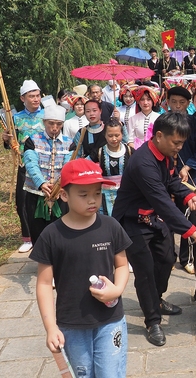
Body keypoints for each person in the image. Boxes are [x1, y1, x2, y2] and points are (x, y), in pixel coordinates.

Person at [112, 113, 196, 346]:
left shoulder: (167, 155)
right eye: (176, 143)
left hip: (153, 218)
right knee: (145, 271)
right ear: (159, 136)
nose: (179, 148)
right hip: (132, 221)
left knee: (166, 258)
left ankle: (156, 299)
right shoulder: (142, 162)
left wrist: (189, 193)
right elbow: (162, 200)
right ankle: (152, 320)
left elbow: (171, 182)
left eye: (182, 143)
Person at [31, 158, 131, 377]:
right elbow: (45, 284)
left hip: (110, 319)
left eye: (97, 193)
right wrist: (50, 327)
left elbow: (122, 265)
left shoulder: (110, 226)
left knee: (110, 373)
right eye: (83, 195)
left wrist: (117, 289)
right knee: (83, 373)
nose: (92, 200)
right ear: (64, 195)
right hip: (72, 324)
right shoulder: (51, 235)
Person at [166, 86, 196, 274]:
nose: (177, 106)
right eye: (174, 102)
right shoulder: (163, 122)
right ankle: (167, 256)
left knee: (192, 213)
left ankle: (187, 257)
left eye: (182, 102)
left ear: (188, 103)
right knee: (164, 214)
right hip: (166, 173)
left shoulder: (195, 123)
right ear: (167, 102)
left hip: (189, 173)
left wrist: (186, 167)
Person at [2, 79, 45, 253]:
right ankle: (28, 237)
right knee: (23, 200)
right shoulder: (15, 118)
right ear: (23, 98)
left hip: (45, 162)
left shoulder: (48, 114)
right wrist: (6, 140)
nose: (36, 99)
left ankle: (47, 234)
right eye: (31, 96)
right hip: (24, 163)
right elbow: (11, 142)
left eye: (37, 95)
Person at [23, 105, 72, 246]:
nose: (54, 127)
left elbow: (67, 166)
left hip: (60, 193)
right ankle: (42, 261)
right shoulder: (31, 140)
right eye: (51, 123)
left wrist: (58, 187)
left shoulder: (69, 144)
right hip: (36, 192)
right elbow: (31, 164)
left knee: (62, 230)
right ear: (44, 122)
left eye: (58, 124)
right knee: (37, 230)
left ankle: (60, 262)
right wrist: (42, 183)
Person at [91, 118, 134, 216]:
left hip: (126, 192)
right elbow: (85, 165)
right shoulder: (98, 152)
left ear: (122, 134)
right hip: (105, 195)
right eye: (110, 136)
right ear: (104, 135)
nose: (114, 139)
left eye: (117, 135)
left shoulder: (130, 151)